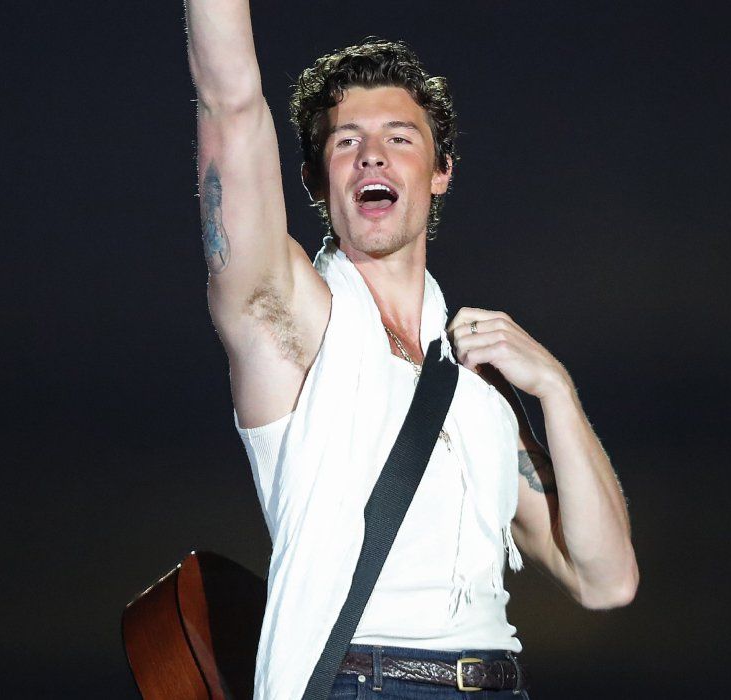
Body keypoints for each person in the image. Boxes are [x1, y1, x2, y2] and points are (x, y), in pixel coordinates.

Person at [184, 2, 638, 697]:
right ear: (314, 179)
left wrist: (556, 390)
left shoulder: (477, 382)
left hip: (498, 681)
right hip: (365, 680)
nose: (372, 153)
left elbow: (607, 580)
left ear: (440, 170)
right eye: (346, 140)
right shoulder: (291, 319)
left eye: (399, 137)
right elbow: (231, 102)